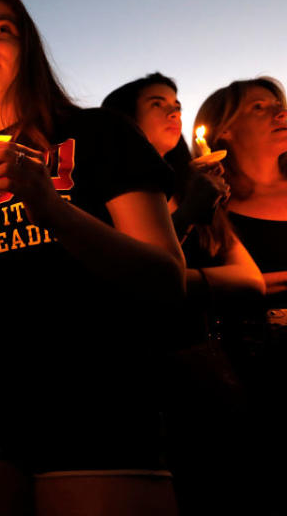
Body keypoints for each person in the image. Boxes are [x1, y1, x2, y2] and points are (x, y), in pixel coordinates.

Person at [0, 0, 185, 515]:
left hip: (93, 404)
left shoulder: (97, 133)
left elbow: (166, 279)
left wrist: (47, 203)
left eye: (1, 29)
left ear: (28, 48)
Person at [103, 73, 265, 515]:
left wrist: (169, 277)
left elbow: (251, 282)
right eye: (158, 103)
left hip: (203, 372)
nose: (175, 110)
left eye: (176, 102)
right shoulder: (100, 197)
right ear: (124, 120)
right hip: (131, 377)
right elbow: (105, 281)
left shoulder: (192, 188)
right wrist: (185, 225)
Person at [196, 76, 287, 511]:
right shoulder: (209, 209)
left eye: (279, 105)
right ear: (223, 130)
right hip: (251, 387)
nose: (280, 113)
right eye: (260, 108)